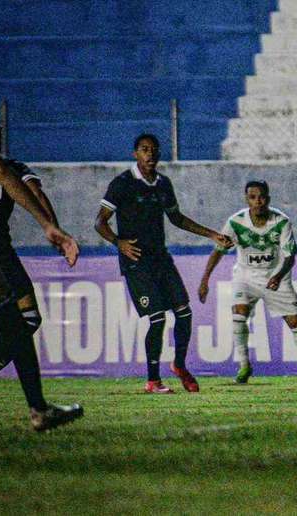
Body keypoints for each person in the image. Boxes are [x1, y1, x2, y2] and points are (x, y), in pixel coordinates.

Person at [0, 111, 83, 431]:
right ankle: (34, 407)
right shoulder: (10, 165)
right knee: (22, 319)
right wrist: (51, 226)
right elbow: (15, 180)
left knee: (19, 319)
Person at [95, 133, 228, 394]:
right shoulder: (122, 183)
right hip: (136, 262)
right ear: (135, 153)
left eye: (154, 150)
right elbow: (100, 222)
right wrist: (119, 242)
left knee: (184, 313)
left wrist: (212, 234)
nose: (150, 154)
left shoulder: (163, 183)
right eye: (145, 149)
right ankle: (153, 381)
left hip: (161, 260)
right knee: (157, 319)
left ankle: (178, 365)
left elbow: (176, 218)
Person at [198, 180, 297, 383]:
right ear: (247, 199)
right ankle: (243, 366)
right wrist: (205, 279)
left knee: (295, 321)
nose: (258, 201)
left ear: (268, 199)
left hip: (276, 276)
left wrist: (277, 275)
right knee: (239, 313)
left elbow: (290, 256)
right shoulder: (235, 223)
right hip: (245, 277)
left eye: (262, 197)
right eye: (253, 197)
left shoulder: (281, 221)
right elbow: (218, 251)